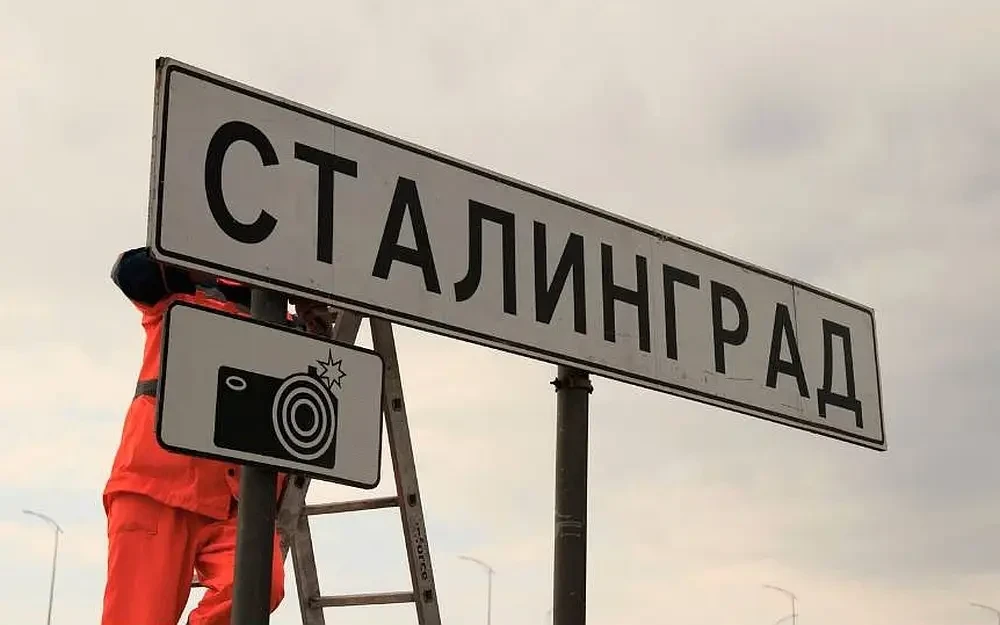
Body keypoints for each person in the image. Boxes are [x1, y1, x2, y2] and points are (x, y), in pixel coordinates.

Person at [101, 246, 333, 625]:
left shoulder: (288, 324)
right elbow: (129, 271)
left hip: (239, 503)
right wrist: (195, 264)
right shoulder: (180, 291)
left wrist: (317, 328)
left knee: (261, 587)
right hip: (157, 488)